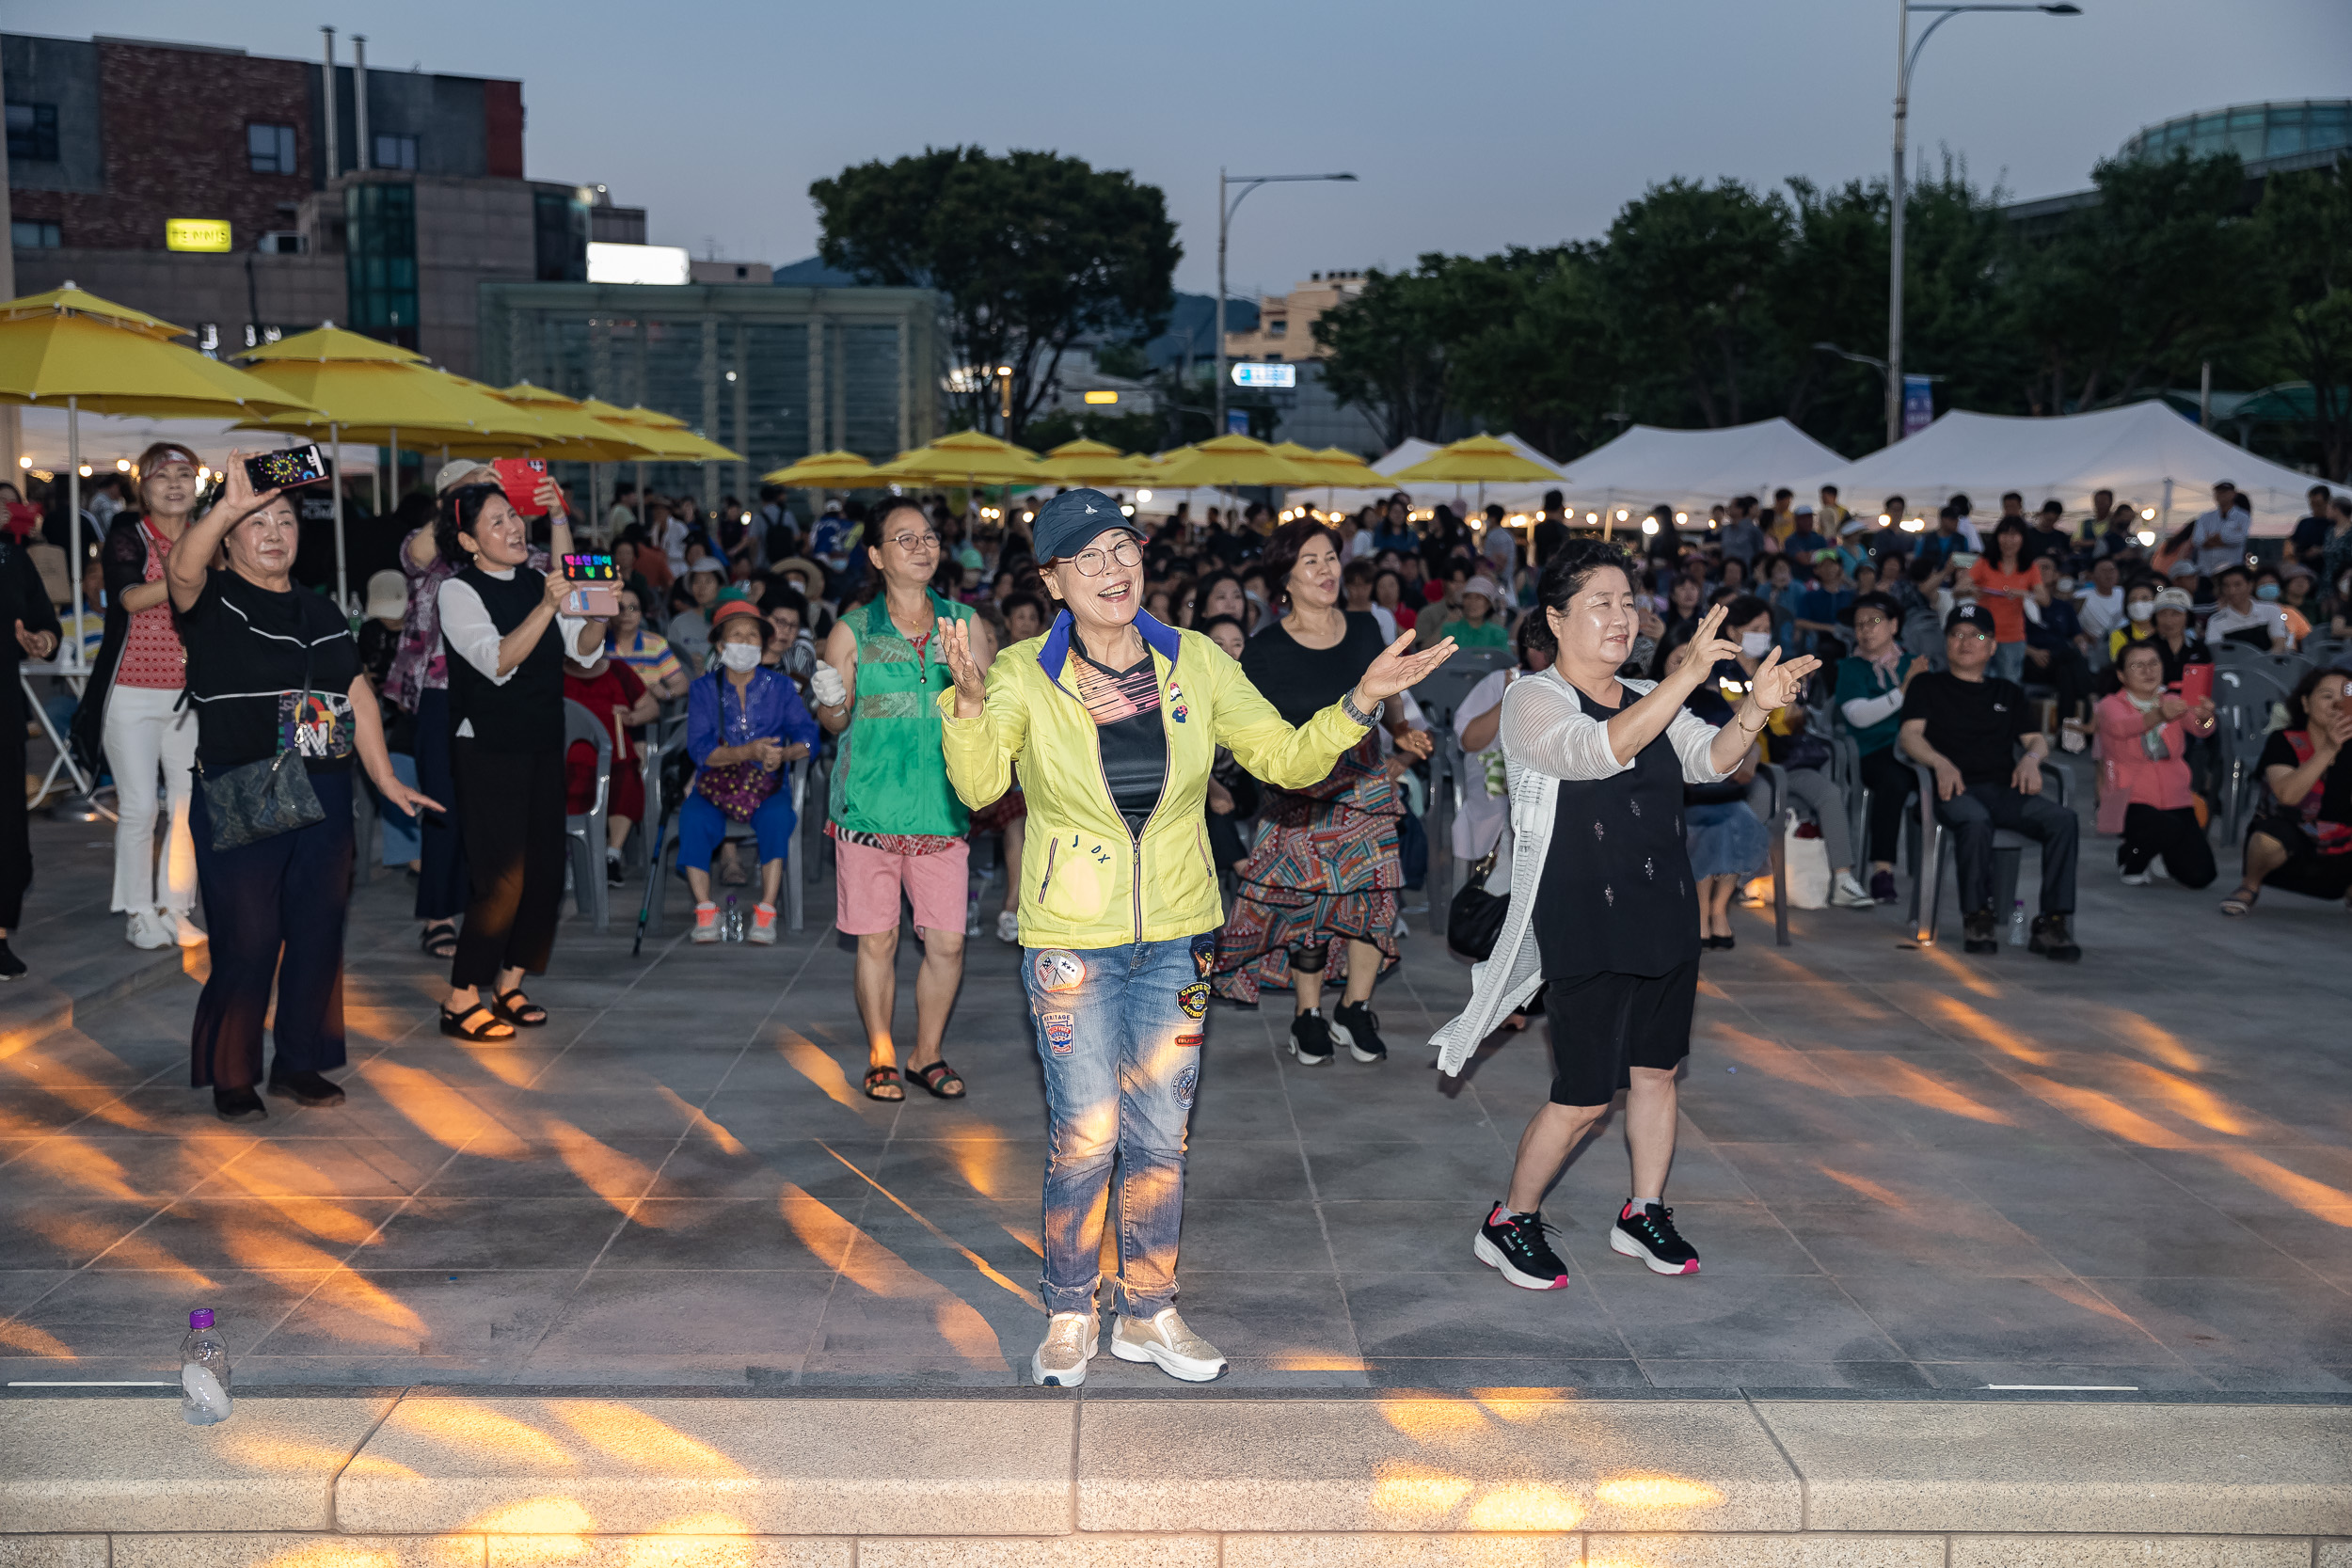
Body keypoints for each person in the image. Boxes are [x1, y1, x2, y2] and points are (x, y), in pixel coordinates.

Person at [935, 486, 1454, 1386]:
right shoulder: (1020, 670)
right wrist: (970, 703)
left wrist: (1361, 700)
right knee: (1086, 1134)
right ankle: (1068, 1308)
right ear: (1054, 580)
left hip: (1178, 934)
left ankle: (1148, 1310)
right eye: (1087, 558)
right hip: (1070, 937)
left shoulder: (1198, 664)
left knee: (1161, 1134)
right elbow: (981, 791)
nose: (1112, 569)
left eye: (1123, 550)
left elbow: (1288, 761)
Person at [1429, 546, 1814, 1290]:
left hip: (1665, 913)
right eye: (1600, 601)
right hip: (1586, 920)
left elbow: (1716, 759)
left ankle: (1644, 1209)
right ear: (1555, 617)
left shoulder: (1648, 692)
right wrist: (1684, 677)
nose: (1620, 615)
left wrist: (1757, 707)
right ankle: (1509, 1219)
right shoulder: (1531, 699)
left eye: (1628, 601)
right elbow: (1598, 749)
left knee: (1658, 1073)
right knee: (1581, 1097)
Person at [167, 454, 438, 1120]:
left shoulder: (320, 609)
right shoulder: (212, 599)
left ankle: (299, 1060)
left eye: (285, 519)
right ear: (229, 537)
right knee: (250, 935)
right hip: (242, 784)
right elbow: (180, 568)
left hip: (320, 786)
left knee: (318, 931)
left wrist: (382, 776)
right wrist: (228, 504)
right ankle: (234, 1071)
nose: (274, 532)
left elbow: (356, 694)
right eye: (257, 522)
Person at [1215, 519, 1438, 1066]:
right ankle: (1307, 1014)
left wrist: (1402, 728)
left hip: (1364, 782)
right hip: (1298, 798)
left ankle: (1356, 1008)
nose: (1327, 570)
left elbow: (1385, 694)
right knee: (1307, 908)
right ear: (1285, 579)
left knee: (1373, 902)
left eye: (1331, 558)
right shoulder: (1264, 650)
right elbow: (1251, 731)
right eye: (1311, 561)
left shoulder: (1364, 629)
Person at [811, 497, 990, 1103]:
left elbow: (987, 712)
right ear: (876, 555)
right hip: (868, 810)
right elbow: (835, 723)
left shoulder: (964, 624)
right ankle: (882, 1051)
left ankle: (927, 1053)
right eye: (904, 538)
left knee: (947, 942)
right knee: (877, 939)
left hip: (943, 809)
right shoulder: (853, 629)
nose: (921, 547)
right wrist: (831, 698)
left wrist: (973, 684)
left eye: (929, 536)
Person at [434, 482, 604, 1043]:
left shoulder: (536, 581)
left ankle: (509, 981)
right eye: (496, 523)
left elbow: (582, 650)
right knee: (501, 878)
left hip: (539, 740)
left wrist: (600, 607)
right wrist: (549, 606)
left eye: (513, 516)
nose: (512, 529)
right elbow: (496, 660)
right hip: (486, 744)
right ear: (468, 540)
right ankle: (461, 997)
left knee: (547, 875)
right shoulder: (458, 592)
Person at [73, 443, 203, 950]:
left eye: (183, 475)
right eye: (161, 476)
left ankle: (176, 906)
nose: (173, 484)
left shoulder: (205, 538)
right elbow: (128, 598)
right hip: (129, 691)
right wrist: (193, 571)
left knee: (190, 804)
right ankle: (137, 910)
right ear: (142, 488)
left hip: (190, 694)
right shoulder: (130, 533)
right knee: (140, 807)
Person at [1899, 605, 2079, 960]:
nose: (1966, 642)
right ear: (1946, 643)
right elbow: (1910, 736)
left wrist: (2031, 760)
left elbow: (2036, 740)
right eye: (1957, 634)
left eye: (1977, 635)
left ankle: (2052, 921)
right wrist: (1939, 762)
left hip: (2003, 789)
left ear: (1993, 647)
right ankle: (1977, 916)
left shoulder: (2007, 692)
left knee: (2063, 820)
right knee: (1975, 821)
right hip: (1955, 789)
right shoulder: (1927, 685)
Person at [676, 601, 818, 942]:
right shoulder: (703, 689)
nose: (745, 642)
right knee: (693, 819)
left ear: (762, 644)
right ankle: (705, 911)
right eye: (736, 636)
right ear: (721, 646)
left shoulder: (782, 687)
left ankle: (767, 911)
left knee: (777, 820)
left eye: (752, 636)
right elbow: (699, 749)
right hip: (714, 786)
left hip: (767, 785)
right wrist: (747, 752)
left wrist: (784, 754)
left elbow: (809, 736)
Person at [2222, 666, 2352, 916]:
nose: (2336, 704)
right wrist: (2328, 750)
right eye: (2327, 696)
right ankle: (2250, 885)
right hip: (2289, 855)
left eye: (2345, 697)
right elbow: (2287, 796)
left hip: (2339, 854)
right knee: (2269, 837)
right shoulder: (2283, 741)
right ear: (2305, 703)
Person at [2095, 641, 2217, 889]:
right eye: (2137, 665)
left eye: (2153, 663)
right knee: (2164, 826)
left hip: (2176, 797)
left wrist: (2206, 718)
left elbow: (2202, 729)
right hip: (2129, 796)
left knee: (2201, 876)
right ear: (2121, 675)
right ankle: (2131, 859)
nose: (2147, 671)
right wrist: (2160, 714)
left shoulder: (2172, 699)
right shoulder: (2110, 705)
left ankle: (2157, 850)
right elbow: (2123, 727)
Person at [0, 514, 61, 980]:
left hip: (2, 711)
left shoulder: (11, 558)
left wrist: (42, 640)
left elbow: (45, 623)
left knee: (5, 828)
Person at [1835, 591, 1924, 904]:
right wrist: (1904, 689)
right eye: (1859, 625)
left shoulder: (1914, 663)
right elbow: (1859, 716)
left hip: (1917, 747)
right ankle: (1881, 869)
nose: (1866, 630)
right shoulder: (1851, 668)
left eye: (1874, 621)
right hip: (1871, 751)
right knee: (1894, 781)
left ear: (1894, 625)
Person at [1454, 610, 1557, 864]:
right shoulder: (1500, 681)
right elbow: (1469, 740)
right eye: (1534, 647)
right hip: (1497, 783)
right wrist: (1510, 696)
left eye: (1549, 648)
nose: (1542, 657)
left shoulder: (1577, 686)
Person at [563, 642, 657, 887]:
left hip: (616, 756)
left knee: (625, 781)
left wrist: (632, 718)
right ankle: (571, 857)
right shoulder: (555, 673)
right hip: (569, 759)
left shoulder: (619, 671)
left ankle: (612, 855)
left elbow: (651, 708)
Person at [1969, 515, 2038, 685]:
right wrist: (1972, 589)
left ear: (2023, 539)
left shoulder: (2030, 567)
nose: (2009, 540)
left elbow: (2044, 598)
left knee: (2009, 685)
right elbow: (1960, 588)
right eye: (2004, 534)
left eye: (2014, 535)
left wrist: (2023, 593)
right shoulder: (1984, 563)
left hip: (2012, 637)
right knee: (1976, 681)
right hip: (1982, 634)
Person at [606, 588, 688, 699]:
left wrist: (667, 694)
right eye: (620, 608)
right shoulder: (598, 644)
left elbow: (681, 683)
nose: (626, 613)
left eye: (632, 608)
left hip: (650, 711)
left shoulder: (656, 644)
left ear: (641, 613)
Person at [2204, 563, 2287, 652]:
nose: (2232, 591)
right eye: (2227, 586)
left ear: (2250, 585)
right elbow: (2215, 652)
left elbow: (2279, 642)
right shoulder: (2215, 621)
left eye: (2237, 585)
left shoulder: (2272, 610)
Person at [2193, 482, 2252, 581]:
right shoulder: (2205, 517)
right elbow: (2197, 540)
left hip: (2230, 571)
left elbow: (2239, 539)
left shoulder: (2243, 517)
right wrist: (2222, 540)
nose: (2221, 495)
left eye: (2225, 492)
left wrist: (2216, 538)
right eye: (2218, 492)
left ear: (2234, 494)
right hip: (2206, 571)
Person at [1440, 574, 1510, 649]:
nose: (1472, 602)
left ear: (1488, 604)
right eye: (1468, 597)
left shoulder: (1498, 634)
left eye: (1478, 598)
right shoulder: (1449, 630)